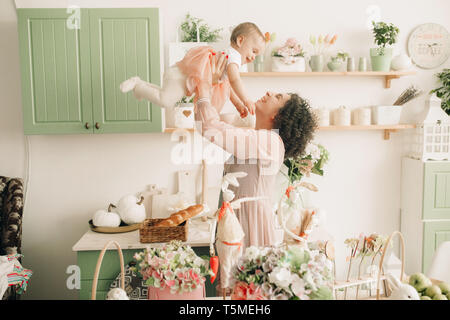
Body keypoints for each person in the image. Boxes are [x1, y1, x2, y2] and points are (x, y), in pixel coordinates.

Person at [196, 52, 318, 249]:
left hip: (248, 225)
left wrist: (203, 88)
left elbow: (211, 128)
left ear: (279, 115)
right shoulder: (258, 138)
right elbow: (208, 123)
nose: (269, 92)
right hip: (236, 222)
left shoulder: (271, 142)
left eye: (278, 97)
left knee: (246, 276)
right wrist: (214, 86)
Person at [119, 22, 265, 118]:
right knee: (165, 101)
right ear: (240, 41)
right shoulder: (234, 57)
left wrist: (238, 104)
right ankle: (138, 86)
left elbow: (227, 85)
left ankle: (140, 85)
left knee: (164, 96)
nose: (253, 57)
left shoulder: (229, 57)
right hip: (181, 77)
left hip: (180, 76)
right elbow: (234, 80)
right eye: (254, 51)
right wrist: (246, 99)